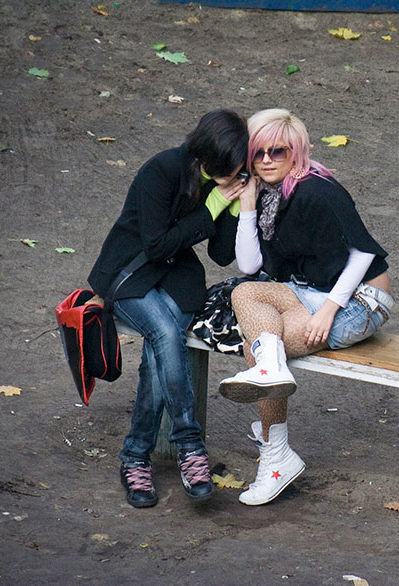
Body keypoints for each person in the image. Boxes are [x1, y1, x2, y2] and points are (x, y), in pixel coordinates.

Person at [218, 108, 393, 506]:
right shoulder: (266, 195)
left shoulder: (317, 190)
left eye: (276, 152)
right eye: (257, 153)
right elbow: (248, 266)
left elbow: (363, 252)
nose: (265, 161)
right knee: (245, 298)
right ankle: (277, 448)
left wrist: (330, 310)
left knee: (258, 347)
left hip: (359, 301)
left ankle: (276, 456)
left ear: (295, 152)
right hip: (307, 291)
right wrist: (247, 204)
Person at [88, 109, 250, 508]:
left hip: (175, 277)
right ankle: (190, 446)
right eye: (227, 167)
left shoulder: (224, 182)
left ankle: (134, 456)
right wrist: (211, 207)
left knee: (164, 348)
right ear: (207, 154)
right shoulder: (161, 170)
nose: (234, 174)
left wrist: (235, 208)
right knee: (165, 333)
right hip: (130, 272)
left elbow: (222, 255)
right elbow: (156, 244)